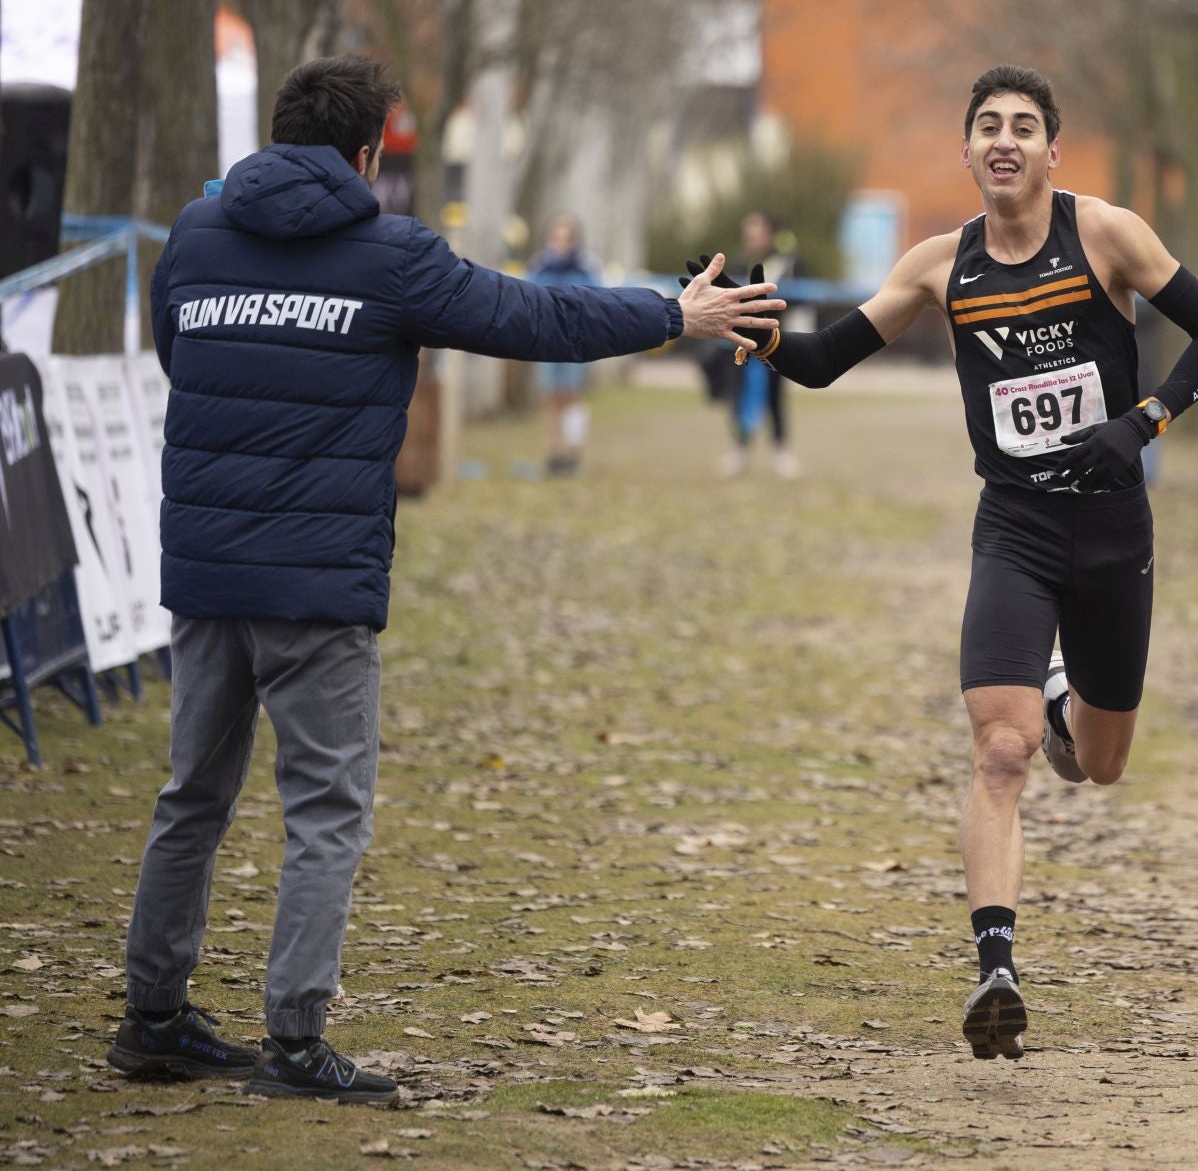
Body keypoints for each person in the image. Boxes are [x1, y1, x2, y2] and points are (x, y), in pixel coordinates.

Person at [113, 57, 780, 1101]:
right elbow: (531, 319)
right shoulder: (390, 254)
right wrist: (669, 315)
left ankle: (151, 1016)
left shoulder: (195, 237)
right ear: (371, 153)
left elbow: (175, 356)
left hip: (205, 572)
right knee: (326, 807)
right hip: (318, 584)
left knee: (191, 791)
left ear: (281, 136)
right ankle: (293, 1040)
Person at [688, 65, 1198, 1060]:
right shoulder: (940, 265)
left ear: (1051, 151)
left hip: (1112, 528)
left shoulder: (1106, 233)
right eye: (988, 124)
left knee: (1101, 764)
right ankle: (997, 965)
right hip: (1017, 528)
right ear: (967, 149)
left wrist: (1144, 420)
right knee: (999, 746)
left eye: (1025, 126)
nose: (1006, 139)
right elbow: (819, 360)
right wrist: (752, 323)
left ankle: (1073, 705)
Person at [718, 210, 802, 479]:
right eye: (747, 232)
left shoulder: (786, 265)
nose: (749, 237)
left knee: (775, 398)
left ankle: (780, 452)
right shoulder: (738, 263)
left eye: (755, 231)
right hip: (741, 342)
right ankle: (740, 450)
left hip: (776, 340)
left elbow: (799, 298)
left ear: (770, 234)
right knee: (739, 396)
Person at [527, 214, 602, 476]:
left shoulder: (586, 267)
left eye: (566, 236)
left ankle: (573, 453)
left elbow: (595, 300)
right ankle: (553, 451)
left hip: (576, 341)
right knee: (551, 398)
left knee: (572, 398)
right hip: (548, 341)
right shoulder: (541, 265)